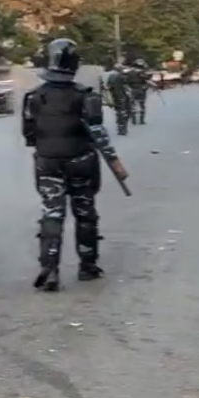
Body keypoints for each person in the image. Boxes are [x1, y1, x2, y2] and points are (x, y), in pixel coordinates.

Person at [22, 39, 125, 292]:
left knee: (51, 213)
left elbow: (29, 135)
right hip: (80, 161)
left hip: (47, 162)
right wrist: (115, 162)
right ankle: (87, 265)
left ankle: (50, 266)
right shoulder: (85, 96)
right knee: (85, 213)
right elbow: (98, 134)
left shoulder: (33, 97)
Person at [104, 62, 132, 135]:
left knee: (119, 113)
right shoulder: (122, 76)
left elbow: (108, 86)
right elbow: (127, 87)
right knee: (124, 113)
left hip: (115, 96)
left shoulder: (111, 76)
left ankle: (120, 128)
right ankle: (123, 129)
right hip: (122, 96)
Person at [125, 58, 153, 125]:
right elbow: (148, 78)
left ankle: (134, 120)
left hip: (132, 89)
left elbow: (125, 81)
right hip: (141, 89)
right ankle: (141, 120)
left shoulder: (129, 72)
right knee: (142, 104)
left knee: (132, 104)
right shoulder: (142, 72)